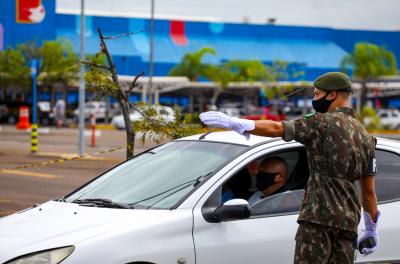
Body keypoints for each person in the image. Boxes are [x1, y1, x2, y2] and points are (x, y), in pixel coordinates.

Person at [200, 72, 379, 263]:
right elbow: (368, 192)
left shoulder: (320, 123)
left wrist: (237, 123)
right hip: (349, 223)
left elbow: (278, 129)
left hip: (317, 220)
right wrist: (371, 229)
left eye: (317, 94)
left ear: (332, 95)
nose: (314, 99)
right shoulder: (366, 137)